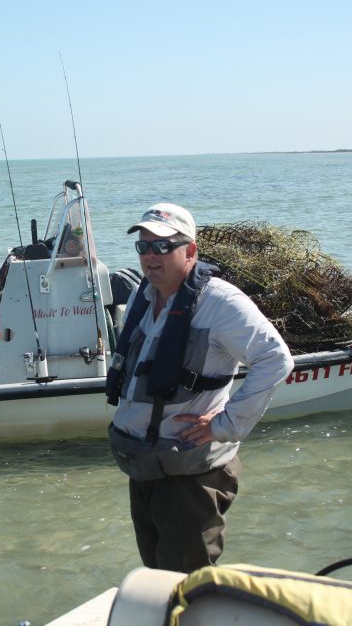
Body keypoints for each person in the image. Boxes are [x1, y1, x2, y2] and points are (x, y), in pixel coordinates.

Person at [106, 202, 294, 573]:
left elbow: (276, 359)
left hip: (189, 476)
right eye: (143, 247)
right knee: (155, 577)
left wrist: (225, 424)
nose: (150, 257)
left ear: (190, 251)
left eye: (163, 247)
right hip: (145, 467)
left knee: (185, 584)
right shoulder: (144, 298)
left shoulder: (219, 302)